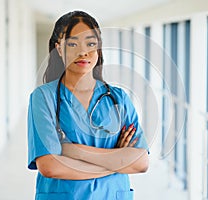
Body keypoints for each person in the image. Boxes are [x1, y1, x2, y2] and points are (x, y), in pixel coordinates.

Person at [27, 10, 149, 200]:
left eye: (91, 43)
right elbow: (50, 166)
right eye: (73, 44)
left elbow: (140, 163)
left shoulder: (119, 98)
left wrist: (74, 151)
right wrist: (116, 160)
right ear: (59, 49)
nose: (83, 52)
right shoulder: (44, 98)